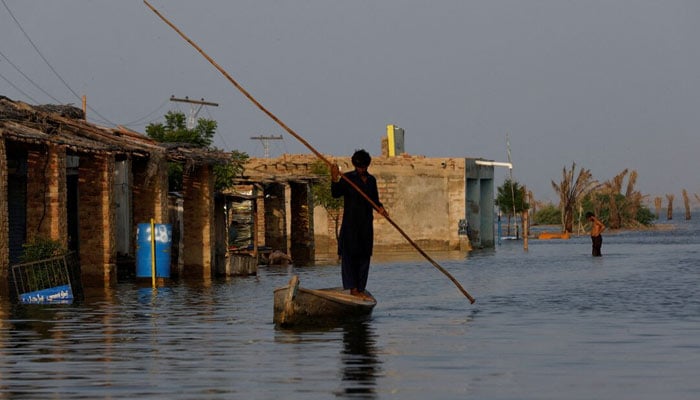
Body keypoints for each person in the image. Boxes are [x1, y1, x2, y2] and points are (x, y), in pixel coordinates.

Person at [331, 149, 387, 299]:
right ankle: (353, 288)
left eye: (364, 167)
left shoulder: (371, 180)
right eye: (359, 167)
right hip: (351, 225)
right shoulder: (348, 179)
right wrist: (334, 177)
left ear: (367, 166)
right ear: (355, 165)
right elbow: (335, 194)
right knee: (349, 256)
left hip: (365, 224)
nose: (361, 169)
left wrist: (381, 208)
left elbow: (374, 200)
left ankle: (361, 288)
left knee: (364, 255)